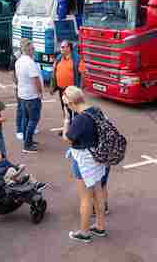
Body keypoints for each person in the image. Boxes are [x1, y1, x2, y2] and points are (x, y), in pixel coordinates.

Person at [62, 86, 107, 243]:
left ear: (72, 103)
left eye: (67, 104)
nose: (67, 107)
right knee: (98, 192)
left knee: (85, 198)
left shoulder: (80, 119)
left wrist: (67, 119)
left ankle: (84, 232)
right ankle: (100, 226)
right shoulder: (96, 110)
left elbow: (67, 138)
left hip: (83, 158)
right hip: (98, 156)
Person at [15, 39, 43, 153]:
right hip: (31, 96)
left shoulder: (19, 61)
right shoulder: (30, 63)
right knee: (33, 120)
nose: (34, 50)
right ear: (29, 49)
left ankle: (28, 140)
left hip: (22, 94)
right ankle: (27, 145)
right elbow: (35, 79)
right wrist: (40, 92)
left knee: (25, 118)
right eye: (33, 48)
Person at [50, 40, 82, 130]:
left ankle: (75, 130)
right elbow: (54, 71)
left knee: (74, 110)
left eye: (63, 47)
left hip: (72, 91)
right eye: (61, 47)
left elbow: (83, 74)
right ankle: (68, 127)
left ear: (69, 48)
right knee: (65, 109)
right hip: (61, 90)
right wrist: (53, 86)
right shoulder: (59, 57)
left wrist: (79, 89)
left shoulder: (77, 59)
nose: (61, 49)